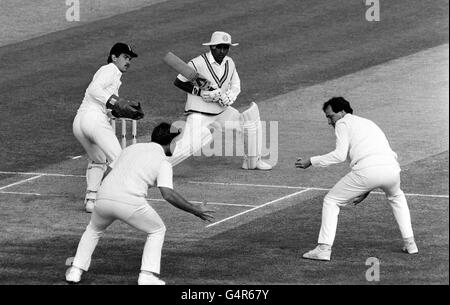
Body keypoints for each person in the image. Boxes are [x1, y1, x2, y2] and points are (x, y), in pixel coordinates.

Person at [65, 122, 215, 285]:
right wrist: (196, 210)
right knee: (157, 229)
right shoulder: (164, 162)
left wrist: (103, 195)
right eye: (176, 141)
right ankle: (147, 275)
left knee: (93, 229)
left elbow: (108, 172)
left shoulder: (130, 149)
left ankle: (75, 270)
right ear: (170, 142)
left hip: (103, 198)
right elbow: (168, 194)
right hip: (130, 202)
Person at [295, 97, 418, 261]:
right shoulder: (368, 123)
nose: (329, 122)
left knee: (331, 200)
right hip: (392, 169)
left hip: (368, 170)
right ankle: (410, 244)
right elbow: (376, 161)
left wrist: (311, 161)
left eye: (330, 116)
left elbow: (339, 155)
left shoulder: (343, 123)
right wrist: (366, 188)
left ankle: (323, 249)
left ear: (343, 112)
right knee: (397, 197)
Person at [169, 31, 272, 170]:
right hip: (200, 112)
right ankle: (158, 168)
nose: (223, 51)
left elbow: (236, 84)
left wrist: (230, 96)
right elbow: (179, 82)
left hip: (221, 110)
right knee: (188, 145)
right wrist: (201, 92)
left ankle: (252, 161)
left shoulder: (229, 62)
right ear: (212, 47)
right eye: (219, 47)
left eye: (226, 47)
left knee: (248, 123)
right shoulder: (197, 63)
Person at [73, 42, 143, 213]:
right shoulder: (110, 69)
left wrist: (123, 112)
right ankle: (122, 198)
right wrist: (117, 102)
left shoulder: (113, 75)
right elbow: (93, 90)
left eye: (130, 58)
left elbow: (107, 107)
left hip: (80, 123)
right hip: (93, 119)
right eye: (125, 57)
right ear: (114, 57)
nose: (128, 61)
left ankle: (91, 200)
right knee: (120, 159)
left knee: (99, 159)